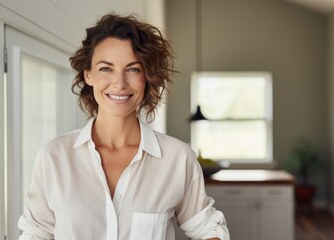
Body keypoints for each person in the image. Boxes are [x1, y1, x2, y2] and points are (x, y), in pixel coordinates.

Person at [18, 14, 229, 240]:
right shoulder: (54, 156)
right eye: (106, 68)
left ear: (147, 77)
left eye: (133, 69)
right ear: (88, 75)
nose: (119, 83)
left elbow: (207, 228)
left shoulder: (177, 158)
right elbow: (37, 233)